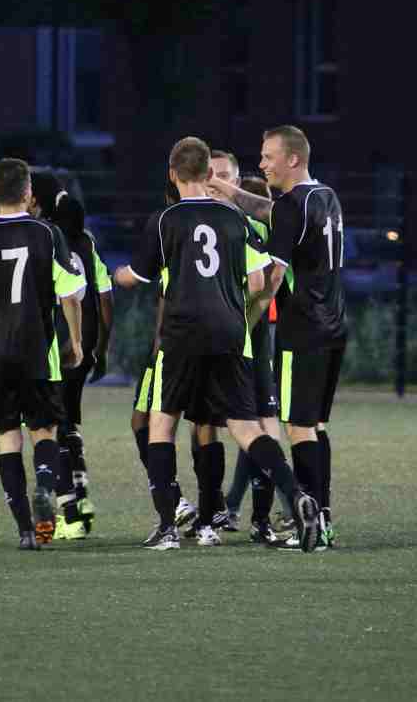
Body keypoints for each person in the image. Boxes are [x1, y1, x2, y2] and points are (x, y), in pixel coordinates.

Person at [114, 137, 321, 552]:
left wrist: (117, 275)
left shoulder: (164, 220)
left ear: (172, 174)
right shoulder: (233, 219)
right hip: (230, 332)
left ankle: (167, 528)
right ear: (209, 173)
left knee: (163, 422)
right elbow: (259, 281)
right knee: (244, 427)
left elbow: (137, 277)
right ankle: (296, 493)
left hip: (182, 334)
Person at [211, 125, 346, 549]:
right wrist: (226, 189)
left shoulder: (291, 206)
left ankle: (311, 526)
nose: (262, 163)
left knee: (299, 428)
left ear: (292, 159)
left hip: (301, 330)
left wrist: (244, 322)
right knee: (316, 426)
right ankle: (324, 521)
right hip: (334, 326)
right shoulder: (324, 196)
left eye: (269, 156)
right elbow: (270, 211)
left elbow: (272, 279)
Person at [0, 158, 87, 550]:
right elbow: (70, 296)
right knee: (44, 431)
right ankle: (44, 489)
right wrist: (75, 342)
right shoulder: (47, 233)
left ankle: (27, 530)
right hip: (36, 351)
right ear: (28, 194)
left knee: (8, 437)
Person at [208, 154, 294, 544]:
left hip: (252, 335)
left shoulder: (250, 224)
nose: (216, 183)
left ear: (237, 182)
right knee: (233, 425)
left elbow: (267, 282)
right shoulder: (196, 221)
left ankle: (278, 508)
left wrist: (246, 322)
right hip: (212, 337)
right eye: (210, 176)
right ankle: (221, 508)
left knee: (258, 421)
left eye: (224, 176)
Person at [35, 185, 114, 540]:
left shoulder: (47, 241)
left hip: (61, 341)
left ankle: (72, 512)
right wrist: (102, 347)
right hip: (88, 340)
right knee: (70, 420)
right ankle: (80, 498)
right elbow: (106, 297)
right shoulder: (88, 243)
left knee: (53, 424)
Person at [128, 179, 198, 531]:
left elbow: (144, 280)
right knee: (237, 426)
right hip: (209, 339)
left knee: (153, 423)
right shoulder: (211, 225)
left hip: (175, 343)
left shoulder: (169, 226)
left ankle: (178, 509)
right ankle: (207, 510)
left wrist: (122, 275)